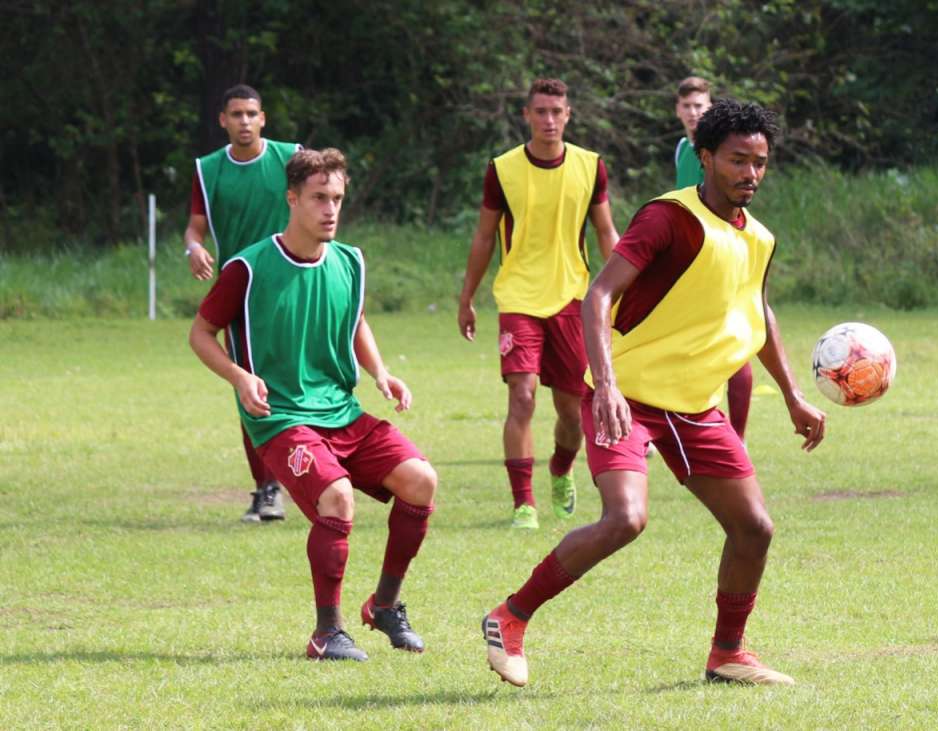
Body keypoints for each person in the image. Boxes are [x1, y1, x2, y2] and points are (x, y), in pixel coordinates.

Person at [482, 100, 826, 687]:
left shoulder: (760, 238)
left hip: (694, 406)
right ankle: (509, 616)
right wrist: (607, 385)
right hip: (627, 398)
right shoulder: (668, 217)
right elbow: (598, 296)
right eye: (737, 160)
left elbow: (758, 312)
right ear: (705, 157)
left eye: (760, 163)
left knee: (755, 529)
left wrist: (793, 395)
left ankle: (727, 654)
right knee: (626, 518)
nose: (750, 174)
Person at [189, 148, 437, 661]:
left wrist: (381, 373)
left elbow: (357, 321)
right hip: (280, 418)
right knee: (337, 497)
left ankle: (385, 607)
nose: (330, 209)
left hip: (341, 411)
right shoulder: (248, 267)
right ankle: (328, 632)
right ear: (293, 199)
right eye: (319, 198)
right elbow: (201, 332)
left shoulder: (350, 261)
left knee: (421, 480)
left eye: (338, 199)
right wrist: (238, 377)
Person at [458, 78, 620, 530]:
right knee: (523, 396)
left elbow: (606, 233)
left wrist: (630, 283)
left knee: (572, 413)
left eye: (557, 111)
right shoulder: (503, 169)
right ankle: (523, 504)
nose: (549, 120)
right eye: (541, 112)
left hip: (572, 299)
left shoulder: (590, 167)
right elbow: (485, 236)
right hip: (519, 298)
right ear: (526, 116)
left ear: (568, 115)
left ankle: (561, 469)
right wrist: (466, 297)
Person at [182, 84, 302, 522]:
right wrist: (193, 249)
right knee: (251, 387)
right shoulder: (209, 169)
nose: (245, 122)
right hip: (241, 295)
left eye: (252, 113)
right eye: (236, 114)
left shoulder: (291, 158)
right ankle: (268, 488)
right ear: (223, 120)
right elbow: (195, 229)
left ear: (263, 118)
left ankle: (312, 474)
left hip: (293, 284)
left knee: (302, 384)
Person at [674, 76, 755, 443]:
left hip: (718, 254)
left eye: (700, 106)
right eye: (688, 106)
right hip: (682, 255)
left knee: (736, 340)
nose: (694, 113)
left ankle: (735, 438)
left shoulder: (723, 152)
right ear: (678, 111)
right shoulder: (681, 149)